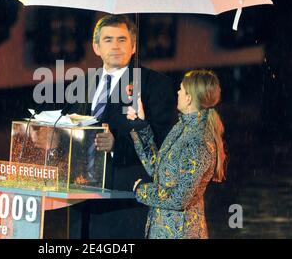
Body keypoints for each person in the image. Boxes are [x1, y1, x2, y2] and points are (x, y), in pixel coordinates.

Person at [64, 14, 175, 238]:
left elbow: (163, 143)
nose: (115, 45)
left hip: (124, 202)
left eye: (122, 39)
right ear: (96, 47)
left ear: (134, 46)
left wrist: (117, 146)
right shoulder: (81, 83)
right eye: (108, 39)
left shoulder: (156, 85)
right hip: (80, 201)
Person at [127, 69, 227, 239]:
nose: (178, 92)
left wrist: (142, 190)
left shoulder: (198, 141)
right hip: (164, 232)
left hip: (180, 233)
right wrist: (140, 125)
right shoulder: (183, 128)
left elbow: (179, 198)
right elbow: (157, 169)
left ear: (189, 98)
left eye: (181, 89)